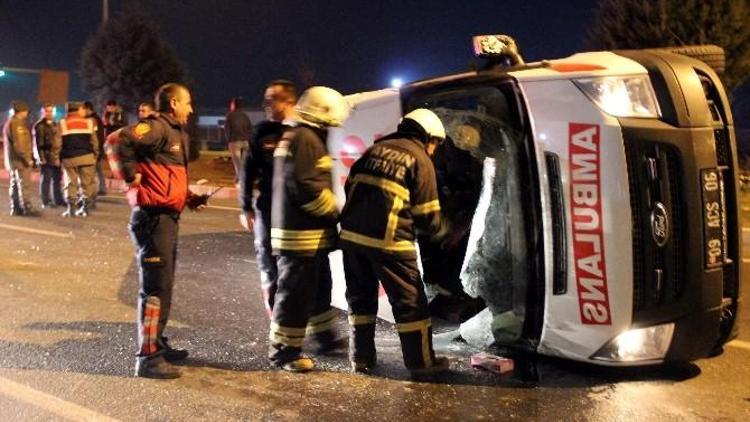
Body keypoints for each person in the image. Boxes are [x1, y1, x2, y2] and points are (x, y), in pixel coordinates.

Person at [107, 83, 208, 379]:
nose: (191, 109)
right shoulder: (157, 127)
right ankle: (147, 357)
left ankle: (157, 343)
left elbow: (165, 175)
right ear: (174, 102)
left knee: (163, 287)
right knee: (154, 290)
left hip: (166, 217)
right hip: (152, 220)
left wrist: (188, 198)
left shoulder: (174, 133)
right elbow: (116, 140)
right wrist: (129, 174)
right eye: (188, 103)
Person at [339, 108, 450, 376]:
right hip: (390, 243)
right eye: (435, 144)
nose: (434, 150)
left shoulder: (373, 152)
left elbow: (350, 188)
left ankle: (360, 358)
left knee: (360, 299)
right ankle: (421, 363)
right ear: (428, 138)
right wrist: (445, 232)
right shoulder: (419, 158)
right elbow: (427, 217)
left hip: (351, 238)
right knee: (410, 302)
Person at [268, 86, 350, 372]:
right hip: (300, 237)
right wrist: (336, 214)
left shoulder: (303, 136)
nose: (332, 129)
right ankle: (284, 353)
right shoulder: (304, 138)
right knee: (295, 296)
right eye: (330, 124)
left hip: (309, 236)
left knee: (317, 291)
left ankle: (325, 338)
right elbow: (307, 187)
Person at [238, 80, 298, 317]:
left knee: (295, 266)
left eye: (271, 99)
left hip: (295, 212)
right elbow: (247, 170)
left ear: (289, 102)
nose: (265, 104)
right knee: (269, 263)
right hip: (267, 208)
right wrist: (245, 207)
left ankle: (300, 318)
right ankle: (277, 318)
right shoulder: (261, 133)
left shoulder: (303, 132)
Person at [55, 102, 99, 217]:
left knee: (70, 183)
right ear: (79, 109)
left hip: (69, 158)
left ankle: (71, 210)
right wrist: (95, 155)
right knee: (87, 184)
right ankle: (86, 208)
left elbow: (57, 144)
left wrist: (56, 157)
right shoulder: (89, 122)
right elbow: (94, 142)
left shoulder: (62, 123)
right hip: (87, 157)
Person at [2, 100, 37, 216]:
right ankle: (27, 207)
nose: (27, 113)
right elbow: (20, 145)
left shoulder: (10, 122)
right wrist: (27, 159)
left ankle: (16, 207)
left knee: (15, 184)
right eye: (26, 111)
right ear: (21, 111)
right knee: (24, 184)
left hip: (13, 161)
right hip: (20, 161)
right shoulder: (17, 124)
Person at [33, 103, 64, 208]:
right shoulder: (40, 126)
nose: (49, 113)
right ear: (42, 112)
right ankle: (46, 201)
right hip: (46, 156)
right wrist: (41, 158)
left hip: (56, 156)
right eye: (47, 111)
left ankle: (58, 199)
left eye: (51, 111)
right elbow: (38, 143)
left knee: (57, 179)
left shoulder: (55, 124)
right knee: (46, 180)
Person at [224, 97, 253, 183]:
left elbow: (226, 129)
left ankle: (242, 180)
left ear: (233, 105)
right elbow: (250, 128)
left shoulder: (230, 115)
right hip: (245, 141)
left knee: (237, 163)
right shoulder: (245, 116)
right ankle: (238, 178)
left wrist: (228, 139)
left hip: (234, 141)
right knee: (243, 163)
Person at [83, 101, 107, 198]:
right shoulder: (97, 119)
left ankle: (94, 191)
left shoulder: (92, 120)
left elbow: (95, 136)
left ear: (88, 109)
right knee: (98, 169)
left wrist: (95, 149)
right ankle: (102, 188)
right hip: (97, 148)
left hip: (93, 149)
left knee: (93, 171)